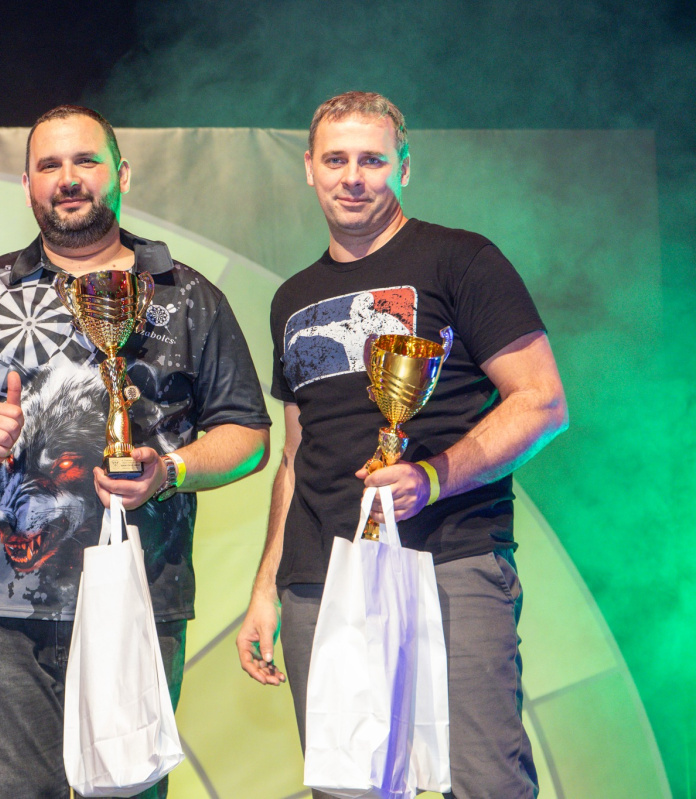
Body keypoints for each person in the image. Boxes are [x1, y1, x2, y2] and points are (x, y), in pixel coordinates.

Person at [0, 105, 272, 798]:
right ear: (27, 185)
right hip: (0, 609)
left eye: (85, 161)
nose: (68, 178)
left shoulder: (188, 295)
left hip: (141, 596)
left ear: (121, 175)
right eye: (49, 165)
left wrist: (171, 470)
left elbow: (249, 437)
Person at [235, 91, 568, 798]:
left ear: (404, 166)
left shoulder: (462, 260)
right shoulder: (291, 298)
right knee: (347, 787)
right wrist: (265, 588)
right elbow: (294, 455)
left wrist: (434, 476)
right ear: (309, 168)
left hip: (450, 558)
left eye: (373, 160)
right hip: (321, 579)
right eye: (336, 160)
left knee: (484, 783)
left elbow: (541, 400)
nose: (353, 177)